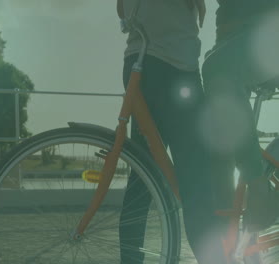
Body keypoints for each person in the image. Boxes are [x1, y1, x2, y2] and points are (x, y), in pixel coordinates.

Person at [116, 0, 229, 263]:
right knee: (195, 186)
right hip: (174, 66)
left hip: (141, 61)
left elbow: (122, 9)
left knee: (142, 180)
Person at [202, 0, 279, 233]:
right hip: (230, 39)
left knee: (218, 70)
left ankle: (258, 186)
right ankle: (232, 250)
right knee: (219, 150)